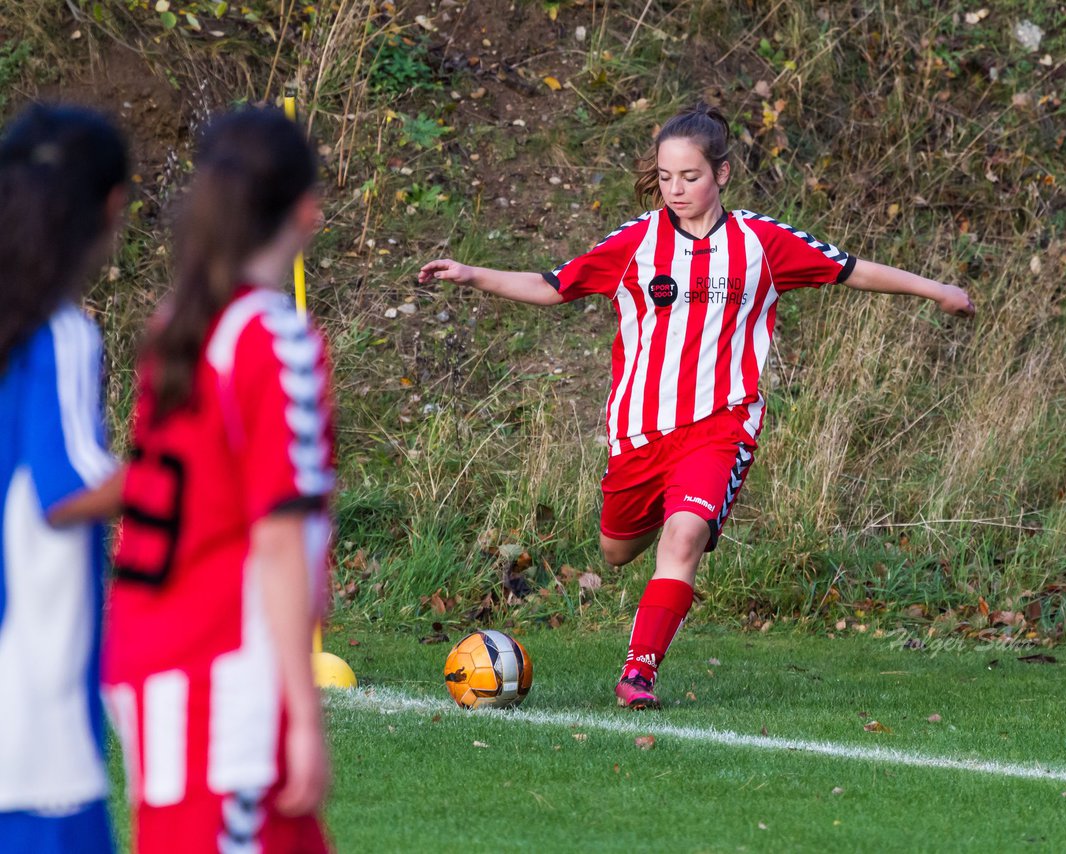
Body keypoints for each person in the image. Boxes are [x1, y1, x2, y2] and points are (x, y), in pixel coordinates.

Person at [419, 102, 975, 710]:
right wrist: (472, 273)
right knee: (615, 550)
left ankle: (638, 673)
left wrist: (938, 289)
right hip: (638, 432)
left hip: (721, 425)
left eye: (691, 176)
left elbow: (852, 271)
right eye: (665, 177)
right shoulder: (636, 241)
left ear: (723, 174)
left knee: (683, 537)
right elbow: (553, 286)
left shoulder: (762, 243)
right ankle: (664, 521)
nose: (676, 190)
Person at [103, 107, 334, 853]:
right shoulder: (274, 338)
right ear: (307, 210)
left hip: (153, 662)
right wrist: (302, 712)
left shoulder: (179, 325)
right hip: (223, 684)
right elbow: (275, 537)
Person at [0, 104, 129, 853]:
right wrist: (194, 466)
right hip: (32, 732)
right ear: (111, 206)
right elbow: (68, 490)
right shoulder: (57, 332)